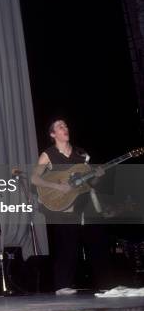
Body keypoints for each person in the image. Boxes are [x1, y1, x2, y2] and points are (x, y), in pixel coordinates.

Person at [31, 118, 109, 294]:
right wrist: (57, 186)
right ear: (53, 134)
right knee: (67, 242)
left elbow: (90, 182)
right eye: (60, 126)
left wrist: (98, 175)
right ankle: (61, 285)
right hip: (61, 201)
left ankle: (105, 282)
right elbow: (34, 178)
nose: (65, 128)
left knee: (97, 240)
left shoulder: (81, 154)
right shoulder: (48, 154)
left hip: (83, 200)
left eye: (66, 125)